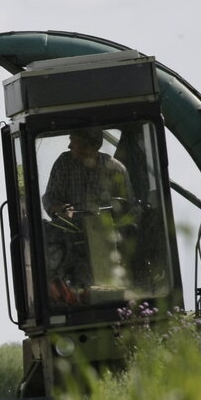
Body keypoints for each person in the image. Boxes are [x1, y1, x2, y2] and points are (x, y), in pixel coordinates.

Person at [41, 128, 131, 305]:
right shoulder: (64, 163)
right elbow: (50, 197)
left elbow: (130, 208)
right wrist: (60, 208)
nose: (69, 146)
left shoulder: (115, 169)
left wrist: (116, 215)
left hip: (105, 238)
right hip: (68, 236)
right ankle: (61, 297)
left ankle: (115, 298)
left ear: (91, 146)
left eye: (74, 142)